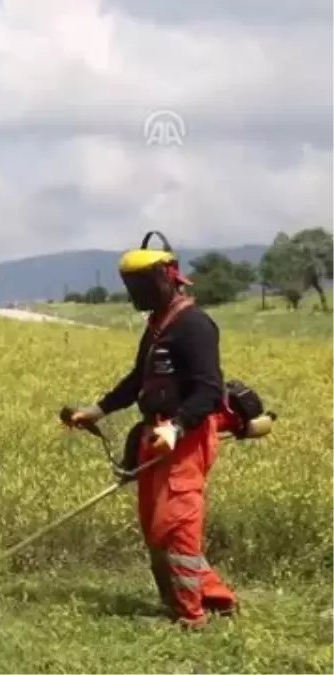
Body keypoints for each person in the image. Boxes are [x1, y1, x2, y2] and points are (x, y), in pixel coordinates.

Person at [64, 232, 236, 629]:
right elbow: (137, 380)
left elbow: (209, 390)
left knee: (177, 524)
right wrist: (98, 410)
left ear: (166, 277)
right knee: (156, 526)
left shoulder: (195, 325)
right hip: (154, 435)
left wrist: (177, 426)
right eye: (130, 286)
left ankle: (192, 616)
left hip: (185, 438)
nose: (134, 294)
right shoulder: (158, 325)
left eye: (140, 286)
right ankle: (209, 599)